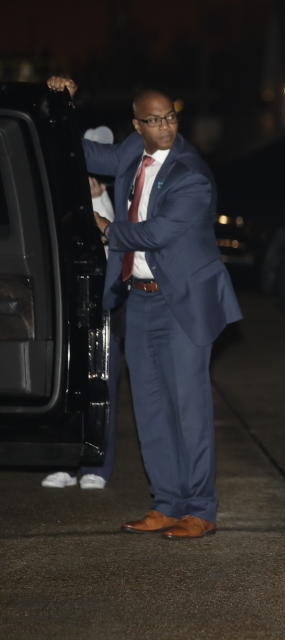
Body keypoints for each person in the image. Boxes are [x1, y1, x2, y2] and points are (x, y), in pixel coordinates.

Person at [46, 76, 243, 538]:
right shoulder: (134, 150)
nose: (164, 128)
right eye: (153, 121)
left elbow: (157, 232)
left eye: (170, 118)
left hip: (182, 304)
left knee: (189, 410)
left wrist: (104, 227)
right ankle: (167, 503)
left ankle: (200, 509)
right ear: (137, 124)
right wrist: (63, 105)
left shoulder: (191, 171)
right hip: (141, 299)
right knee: (150, 407)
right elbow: (84, 154)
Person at [41, 127, 122, 491]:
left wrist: (97, 202)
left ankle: (98, 465)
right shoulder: (59, 191)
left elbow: (113, 246)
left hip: (103, 307)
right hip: (67, 305)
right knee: (66, 385)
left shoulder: (113, 198)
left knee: (101, 387)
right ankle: (63, 461)